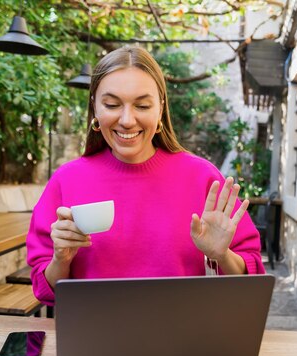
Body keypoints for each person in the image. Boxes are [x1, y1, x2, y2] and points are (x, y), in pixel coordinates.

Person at [26, 46, 265, 305]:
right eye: (112, 104)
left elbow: (250, 278)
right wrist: (61, 259)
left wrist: (222, 255)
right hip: (95, 338)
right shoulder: (66, 180)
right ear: (95, 106)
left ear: (160, 108)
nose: (127, 120)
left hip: (183, 338)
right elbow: (45, 290)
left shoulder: (202, 177)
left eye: (142, 105)